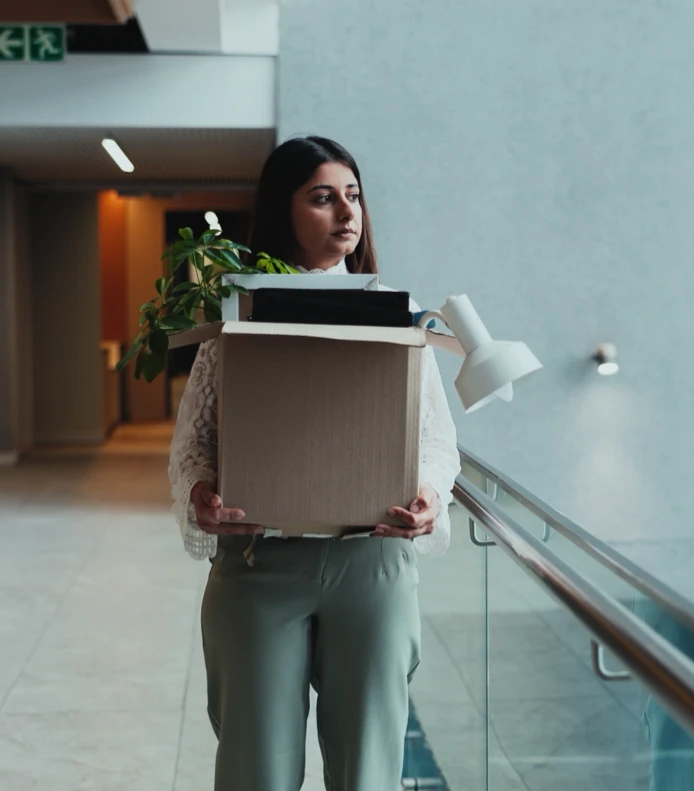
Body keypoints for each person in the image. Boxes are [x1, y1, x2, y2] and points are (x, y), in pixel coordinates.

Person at [168, 135, 461, 791]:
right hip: (258, 565)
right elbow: (193, 441)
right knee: (256, 772)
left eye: (352, 196)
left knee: (368, 774)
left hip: (373, 564)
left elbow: (438, 440)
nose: (345, 212)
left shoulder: (397, 313)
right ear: (284, 210)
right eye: (323, 197)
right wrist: (201, 493)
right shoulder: (239, 311)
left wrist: (430, 495)